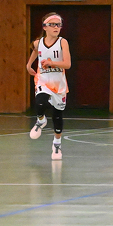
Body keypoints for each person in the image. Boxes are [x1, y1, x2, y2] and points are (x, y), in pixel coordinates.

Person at [26, 13, 71, 160]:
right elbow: (35, 50)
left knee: (57, 116)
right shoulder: (38, 43)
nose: (56, 27)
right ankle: (41, 120)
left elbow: (67, 64)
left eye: (58, 25)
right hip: (43, 80)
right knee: (40, 103)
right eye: (53, 24)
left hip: (58, 84)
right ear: (45, 27)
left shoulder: (62, 42)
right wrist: (29, 65)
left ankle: (57, 144)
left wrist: (52, 63)